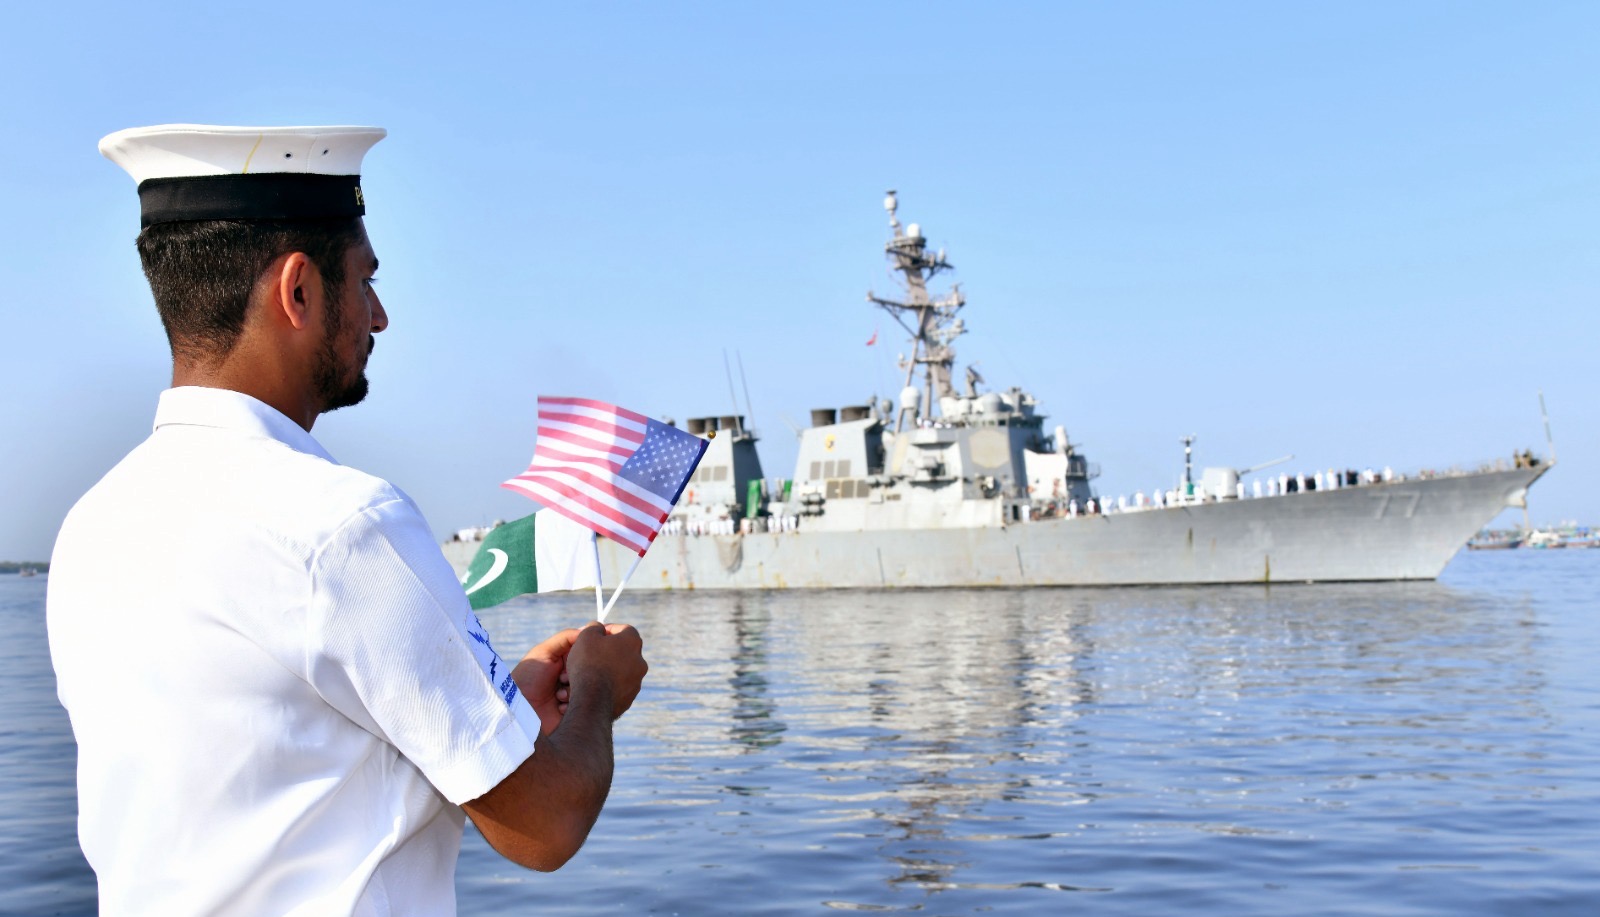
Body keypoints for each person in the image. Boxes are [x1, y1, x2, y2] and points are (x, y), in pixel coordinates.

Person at [46, 124, 649, 915]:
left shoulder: (95, 527)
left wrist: (498, 704)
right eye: (365, 280)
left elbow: (278, 773)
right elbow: (545, 822)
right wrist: (599, 689)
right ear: (298, 291)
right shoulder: (343, 525)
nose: (380, 314)